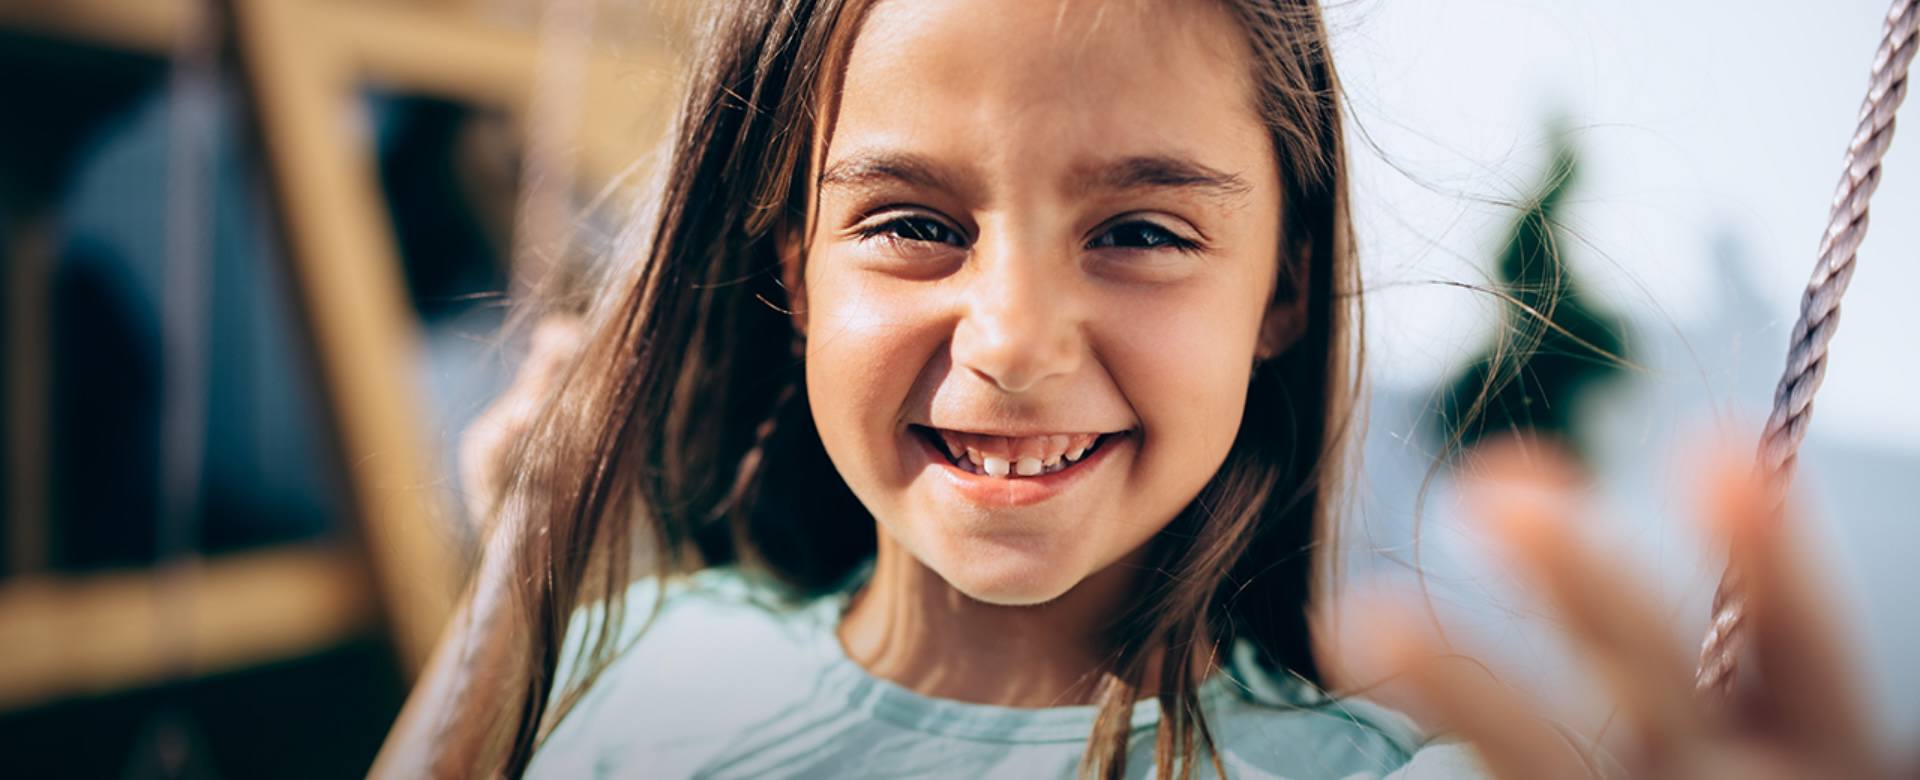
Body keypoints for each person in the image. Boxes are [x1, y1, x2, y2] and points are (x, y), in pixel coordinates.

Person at [374, 1, 1897, 778]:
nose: (1017, 339)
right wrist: (527, 569)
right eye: (912, 223)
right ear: (790, 267)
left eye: (1144, 233)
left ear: (1282, 288)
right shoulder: (636, 660)